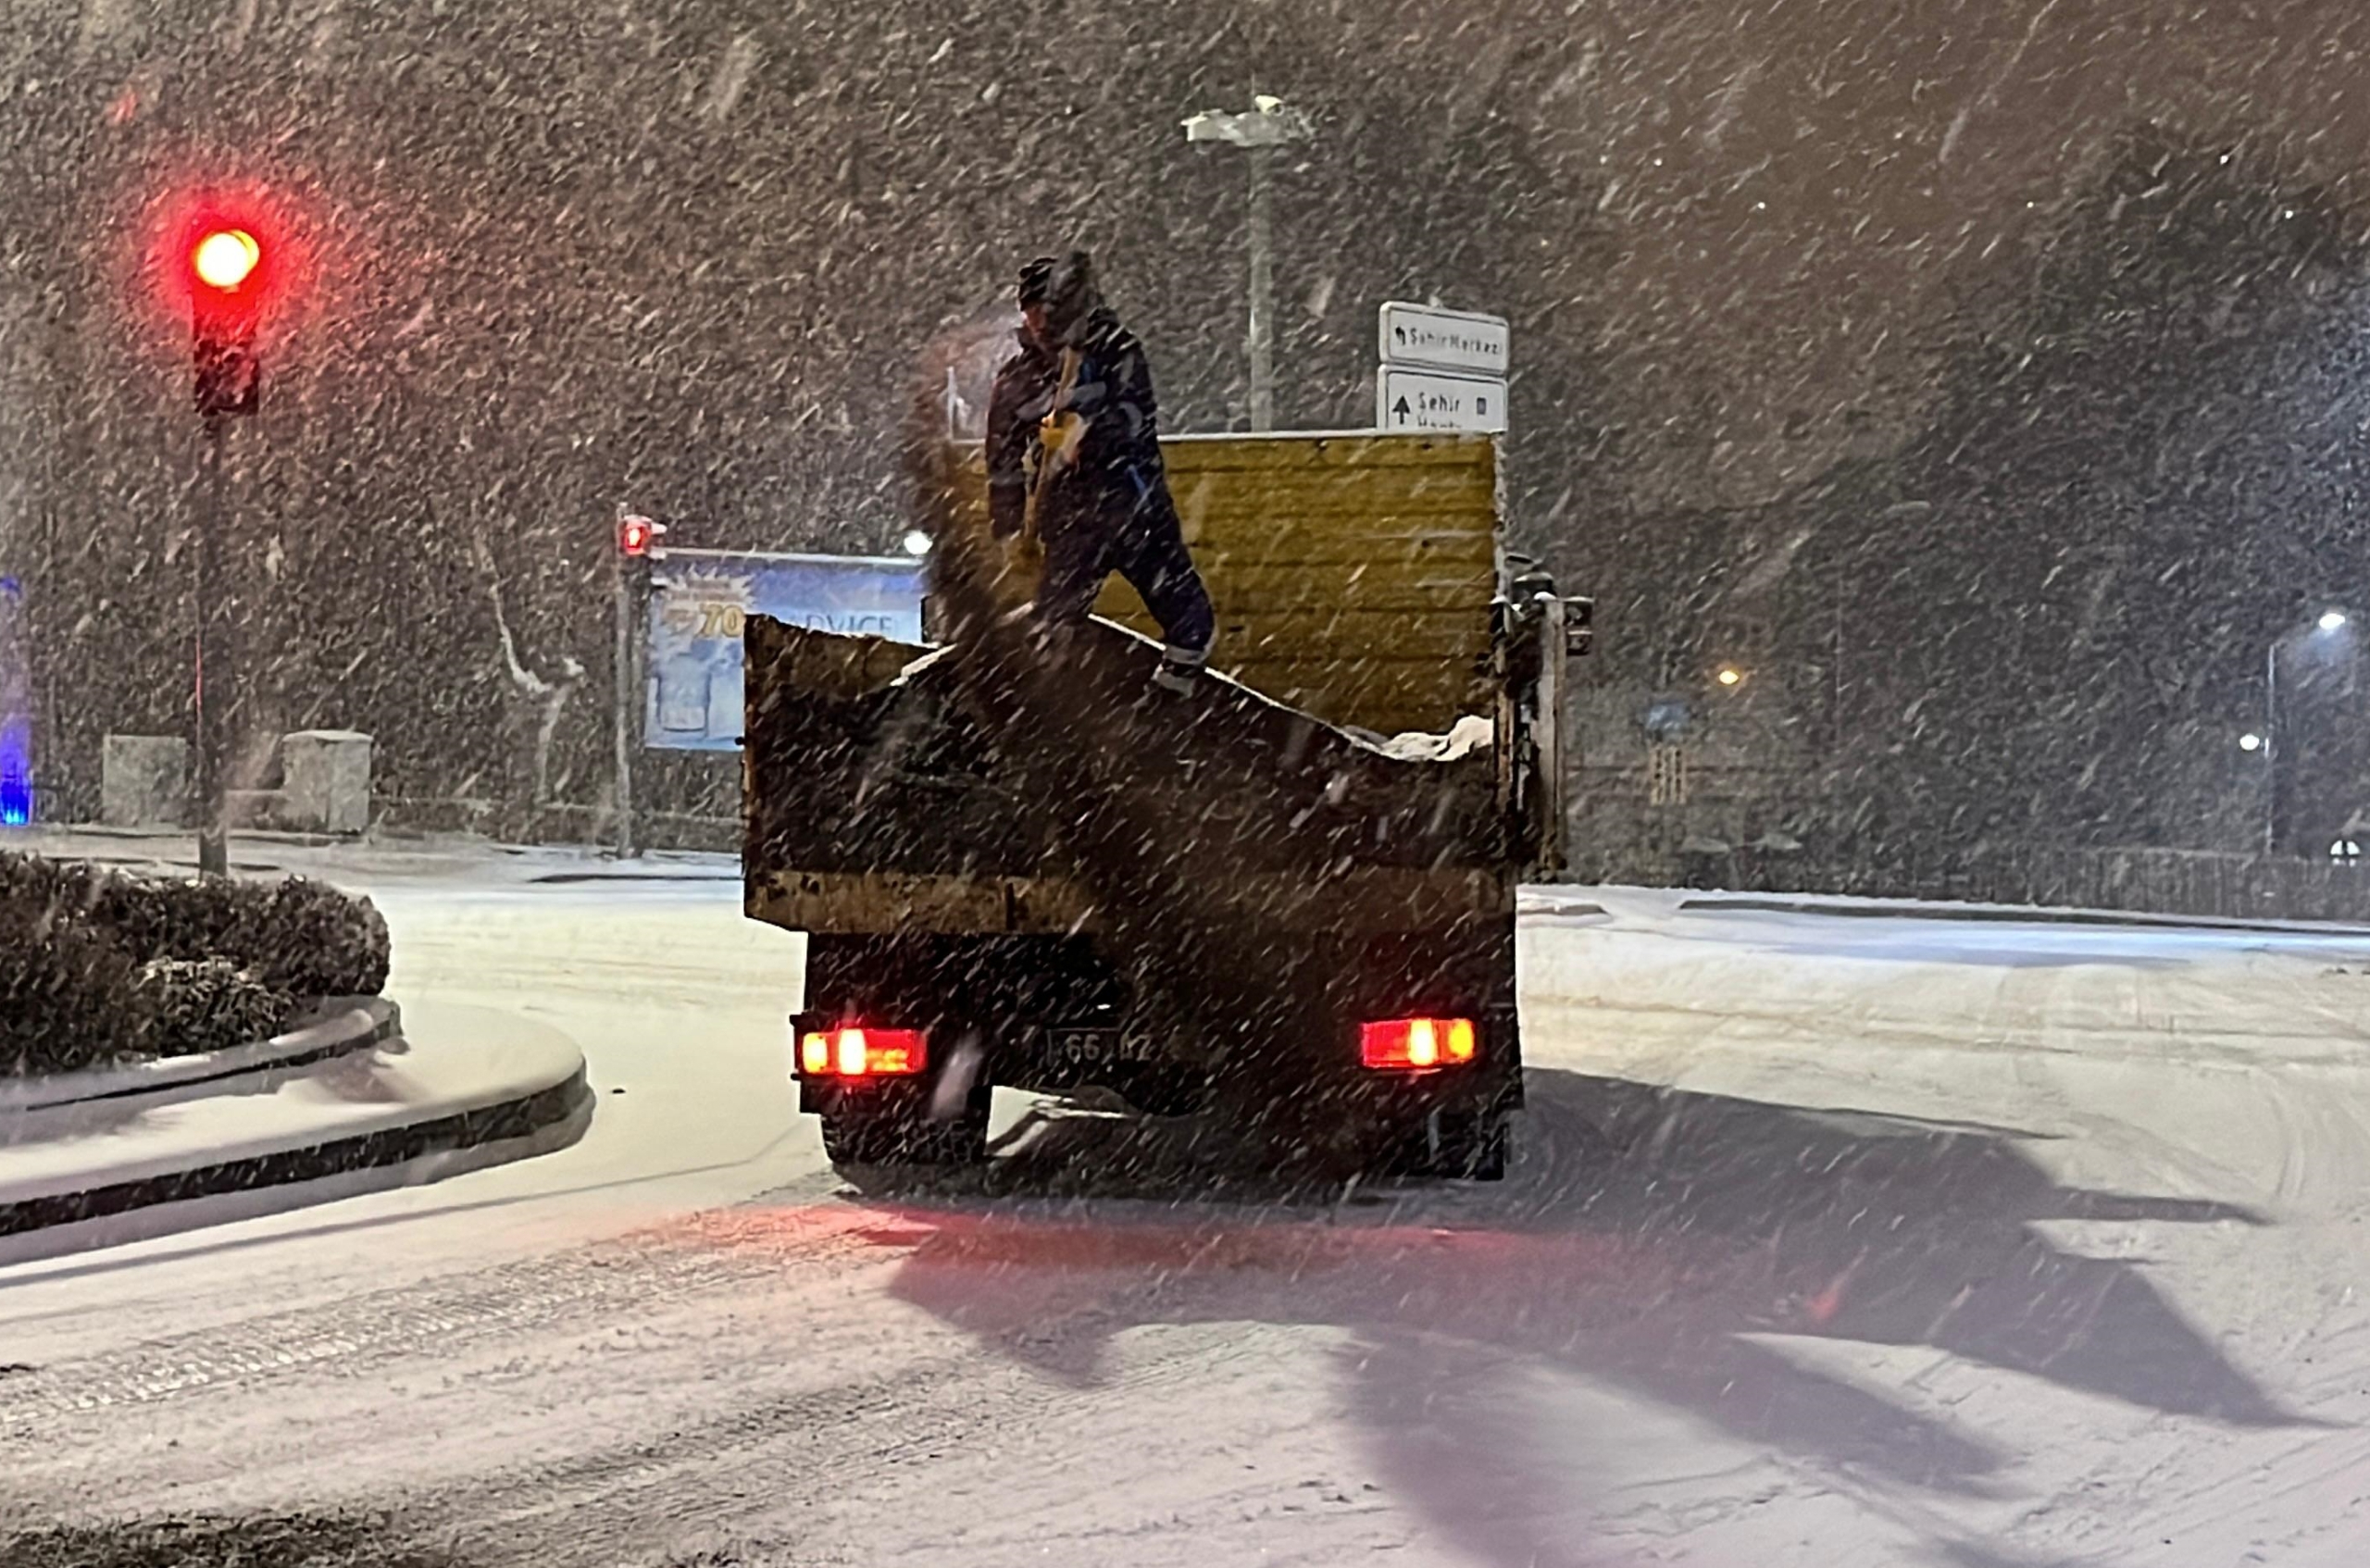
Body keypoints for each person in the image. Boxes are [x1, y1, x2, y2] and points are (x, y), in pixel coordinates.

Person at [987, 251, 1216, 693]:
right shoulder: (1017, 378)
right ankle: (1050, 714)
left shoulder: (1117, 351)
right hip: (1070, 517)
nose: (1035, 319)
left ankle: (1174, 700)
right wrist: (1009, 530)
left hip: (1135, 506)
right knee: (1053, 623)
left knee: (1185, 617)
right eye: (1028, 309)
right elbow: (1002, 459)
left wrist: (1083, 431)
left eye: (1042, 308)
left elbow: (1137, 419)